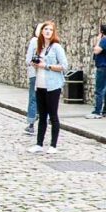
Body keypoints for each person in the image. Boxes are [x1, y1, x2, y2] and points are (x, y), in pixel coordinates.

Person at [28, 21, 69, 153]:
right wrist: (35, 64)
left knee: (53, 115)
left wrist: (46, 66)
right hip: (40, 85)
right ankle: (39, 144)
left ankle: (53, 145)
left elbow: (64, 66)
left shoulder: (56, 47)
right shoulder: (39, 47)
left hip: (52, 86)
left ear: (53, 33)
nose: (47, 32)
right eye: (46, 29)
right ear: (41, 32)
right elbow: (34, 62)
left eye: (50, 30)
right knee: (42, 115)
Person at [85, 25, 106, 119]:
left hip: (103, 67)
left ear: (101, 32)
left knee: (99, 90)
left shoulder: (105, 40)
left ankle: (97, 112)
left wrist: (98, 39)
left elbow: (96, 51)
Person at [23, 23, 43, 135]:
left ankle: (31, 123)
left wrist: (34, 63)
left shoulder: (34, 41)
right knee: (42, 97)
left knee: (33, 97)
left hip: (35, 73)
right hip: (44, 73)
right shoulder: (47, 42)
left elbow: (28, 59)